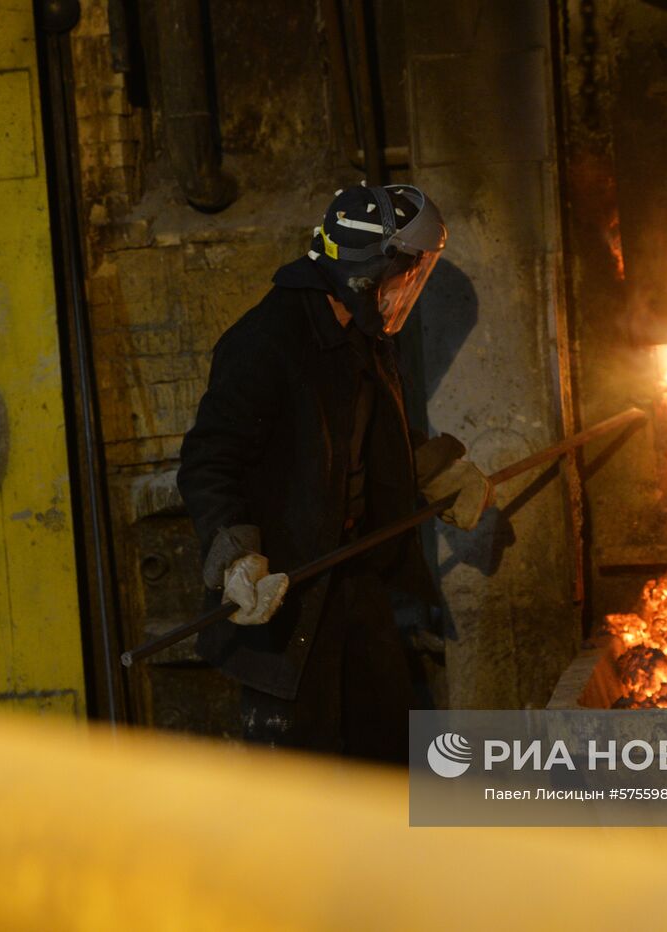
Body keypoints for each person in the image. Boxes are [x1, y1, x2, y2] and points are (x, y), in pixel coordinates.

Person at [177, 183, 490, 763]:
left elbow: (366, 435)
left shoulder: (363, 336)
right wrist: (235, 555)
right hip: (287, 598)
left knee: (390, 760)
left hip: (353, 580)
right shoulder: (263, 344)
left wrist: (434, 470)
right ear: (368, 272)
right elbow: (208, 460)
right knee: (301, 787)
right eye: (406, 273)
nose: (407, 288)